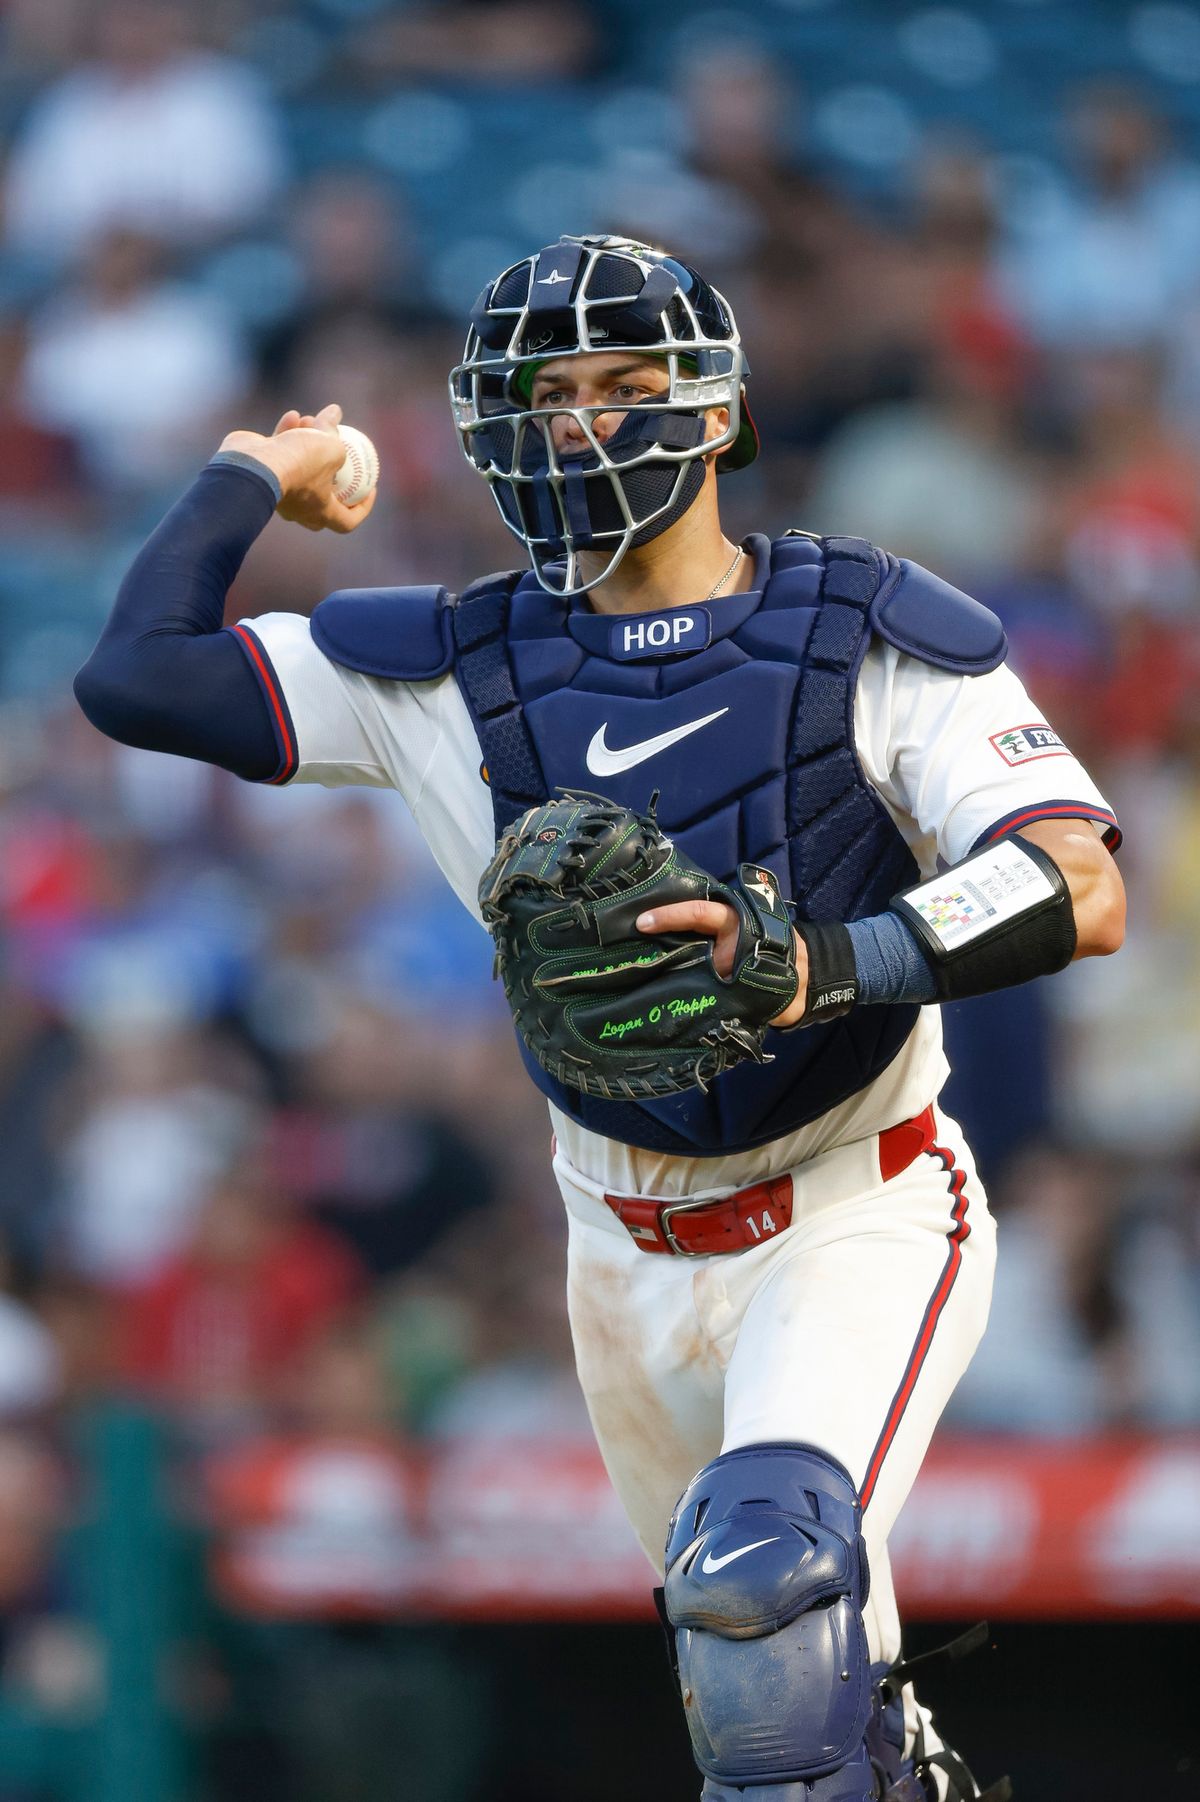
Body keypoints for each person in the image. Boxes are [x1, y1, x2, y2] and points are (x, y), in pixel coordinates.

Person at [75, 234, 1125, 1801]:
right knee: (802, 1714)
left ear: (716, 412)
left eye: (627, 384)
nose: (582, 422)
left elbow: (1075, 879)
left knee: (764, 1593)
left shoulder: (863, 628)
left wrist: (822, 965)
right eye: (547, 393)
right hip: (614, 1245)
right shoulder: (446, 663)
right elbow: (136, 676)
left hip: (858, 1198)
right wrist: (245, 471)